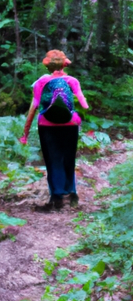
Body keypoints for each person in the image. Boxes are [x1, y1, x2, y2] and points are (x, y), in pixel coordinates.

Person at [19, 50, 89, 211]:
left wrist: (25, 133)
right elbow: (84, 104)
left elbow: (34, 107)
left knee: (53, 159)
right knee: (69, 158)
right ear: (65, 64)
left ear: (48, 66)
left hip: (46, 125)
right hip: (70, 124)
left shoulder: (41, 82)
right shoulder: (72, 80)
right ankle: (71, 192)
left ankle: (56, 196)